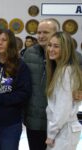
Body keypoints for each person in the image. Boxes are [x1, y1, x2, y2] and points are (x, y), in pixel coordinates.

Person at [23, 18, 82, 150]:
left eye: (45, 32)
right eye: (38, 32)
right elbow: (23, 83)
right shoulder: (29, 54)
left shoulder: (74, 59)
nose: (41, 36)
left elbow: (74, 85)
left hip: (60, 125)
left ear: (56, 33)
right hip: (35, 121)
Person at [45, 32, 82, 150]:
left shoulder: (66, 72)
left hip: (64, 131)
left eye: (56, 46)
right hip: (63, 130)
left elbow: (63, 108)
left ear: (66, 49)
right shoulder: (61, 69)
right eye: (50, 45)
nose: (51, 49)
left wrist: (51, 134)